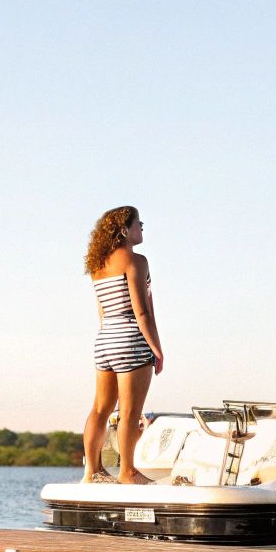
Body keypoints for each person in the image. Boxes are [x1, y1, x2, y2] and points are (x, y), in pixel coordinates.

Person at [82, 206, 163, 484]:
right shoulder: (136, 261)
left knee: (100, 409)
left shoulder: (98, 265)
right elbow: (142, 313)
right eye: (139, 223)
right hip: (130, 337)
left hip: (105, 339)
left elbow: (102, 312)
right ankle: (127, 472)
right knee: (129, 412)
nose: (142, 227)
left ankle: (91, 472)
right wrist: (157, 349)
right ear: (125, 230)